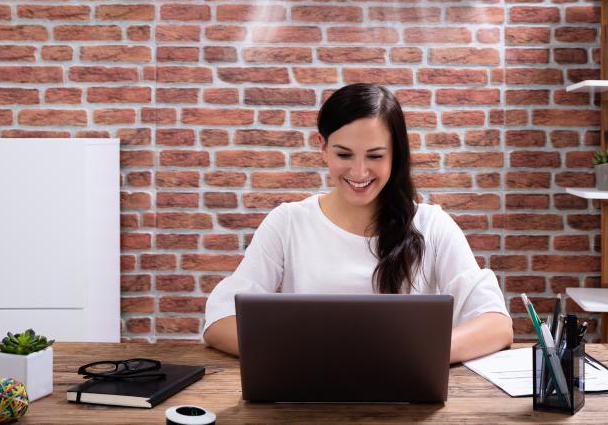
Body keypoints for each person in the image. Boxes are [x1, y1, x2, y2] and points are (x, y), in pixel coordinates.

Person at [203, 83, 513, 363]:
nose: (360, 172)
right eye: (344, 154)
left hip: (404, 395)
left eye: (375, 156)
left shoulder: (431, 225)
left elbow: (496, 324)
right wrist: (304, 351)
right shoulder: (288, 222)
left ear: (396, 155)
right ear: (323, 147)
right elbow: (219, 321)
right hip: (310, 395)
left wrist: (413, 354)